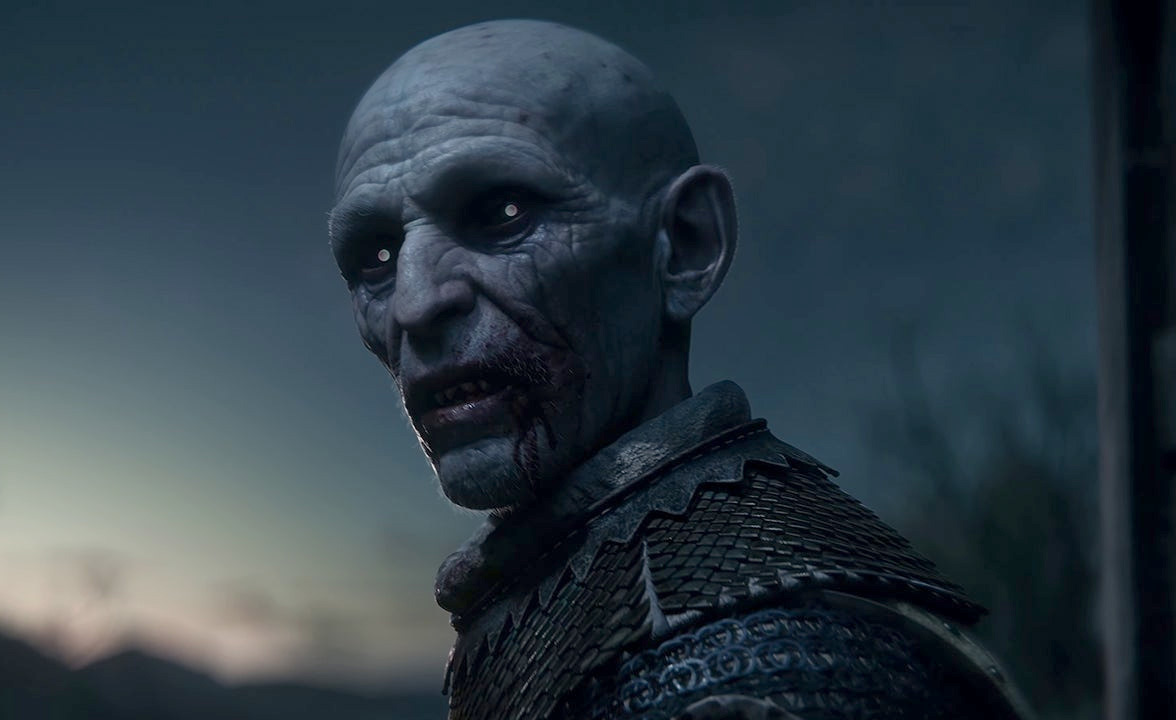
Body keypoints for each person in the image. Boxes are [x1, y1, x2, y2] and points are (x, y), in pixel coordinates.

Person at [329, 19, 1033, 720]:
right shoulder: (590, 603)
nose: (415, 304)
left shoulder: (768, 666)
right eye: (377, 257)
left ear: (685, 244)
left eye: (503, 212)